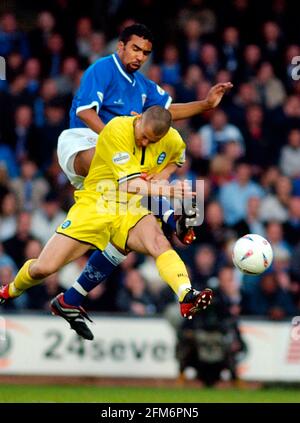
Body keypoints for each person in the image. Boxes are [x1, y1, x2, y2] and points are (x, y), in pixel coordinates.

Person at [51, 24, 231, 326]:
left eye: (145, 52)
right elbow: (85, 112)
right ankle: (174, 217)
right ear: (121, 46)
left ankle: (72, 299)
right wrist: (115, 141)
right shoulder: (102, 70)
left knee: (125, 241)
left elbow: (167, 113)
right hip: (88, 147)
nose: (140, 56)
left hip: (117, 170)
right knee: (143, 179)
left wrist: (206, 105)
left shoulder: (143, 86)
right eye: (135, 49)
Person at [0, 107, 213, 340]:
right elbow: (128, 185)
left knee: (158, 242)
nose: (144, 142)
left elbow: (177, 158)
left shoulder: (172, 138)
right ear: (138, 119)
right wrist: (168, 189)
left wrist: (161, 176)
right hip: (97, 203)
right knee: (45, 267)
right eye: (143, 136)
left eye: (151, 141)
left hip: (130, 208)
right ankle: (9, 290)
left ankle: (186, 294)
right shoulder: (116, 130)